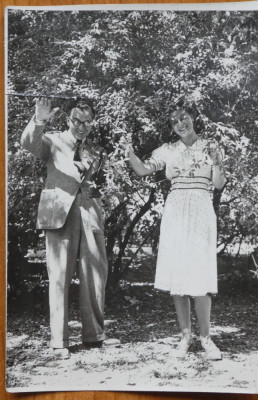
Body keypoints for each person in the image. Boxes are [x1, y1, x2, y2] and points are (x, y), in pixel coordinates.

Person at [121, 103, 226, 360]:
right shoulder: (167, 150)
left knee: (200, 276)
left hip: (201, 209)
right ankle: (185, 336)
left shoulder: (210, 146)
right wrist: (130, 153)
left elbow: (219, 183)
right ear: (172, 127)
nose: (181, 124)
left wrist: (218, 161)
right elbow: (144, 169)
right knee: (179, 277)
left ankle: (206, 338)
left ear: (192, 118)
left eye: (184, 118)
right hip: (176, 210)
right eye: (175, 121)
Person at [21, 98, 108, 359]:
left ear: (92, 123)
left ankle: (94, 336)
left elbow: (94, 183)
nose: (81, 126)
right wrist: (38, 119)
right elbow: (28, 143)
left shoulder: (95, 150)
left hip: (89, 214)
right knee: (59, 276)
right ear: (68, 120)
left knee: (95, 274)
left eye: (87, 122)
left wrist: (98, 199)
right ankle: (59, 341)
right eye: (76, 121)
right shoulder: (51, 140)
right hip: (59, 213)